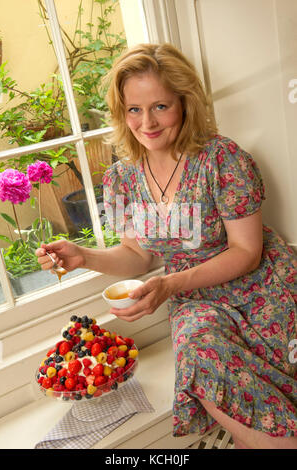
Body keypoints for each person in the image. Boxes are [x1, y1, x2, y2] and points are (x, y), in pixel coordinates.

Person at [36, 43, 297, 449]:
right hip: (196, 302)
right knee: (202, 357)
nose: (147, 122)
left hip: (262, 289)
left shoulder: (221, 159)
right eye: (134, 109)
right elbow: (138, 255)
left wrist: (173, 283)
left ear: (185, 103)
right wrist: (83, 256)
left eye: (160, 106)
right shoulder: (122, 178)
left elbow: (247, 252)